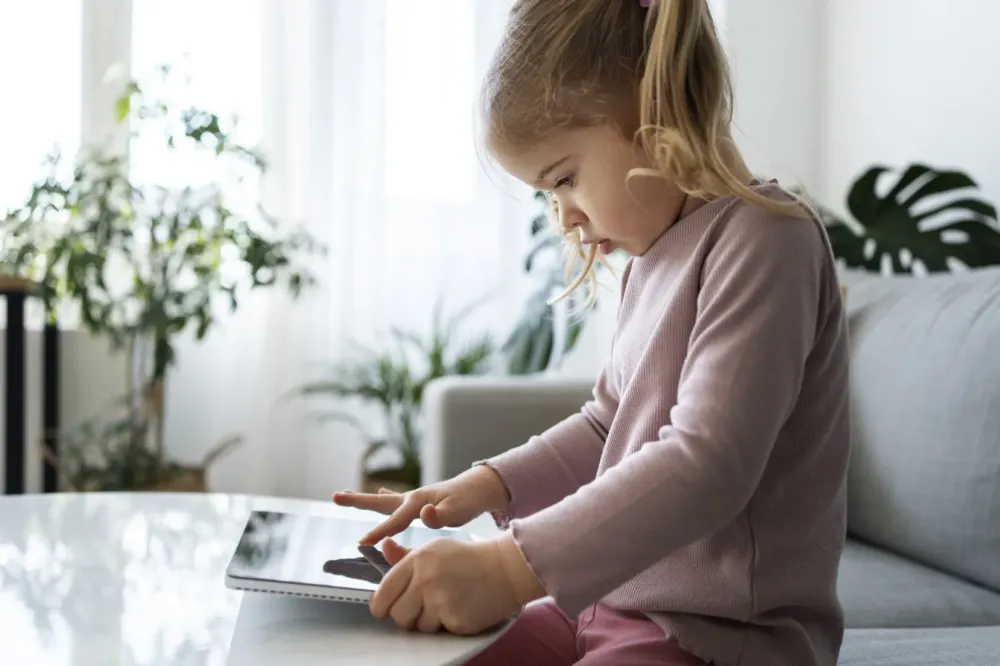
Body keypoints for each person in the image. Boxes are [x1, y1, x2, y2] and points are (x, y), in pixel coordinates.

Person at [333, 0, 851, 664]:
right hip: (605, 605)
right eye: (548, 195)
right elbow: (609, 426)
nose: (563, 218)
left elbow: (708, 464)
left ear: (655, 106)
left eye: (565, 179)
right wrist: (486, 484)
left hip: (719, 637)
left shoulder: (768, 238)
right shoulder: (653, 260)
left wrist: (509, 569)